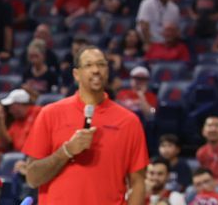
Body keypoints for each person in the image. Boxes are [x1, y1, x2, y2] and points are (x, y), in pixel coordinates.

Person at [21, 46, 149, 204]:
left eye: (101, 64)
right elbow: (33, 178)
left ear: (107, 71)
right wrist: (66, 151)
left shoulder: (129, 122)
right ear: (76, 74)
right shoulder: (50, 114)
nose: (96, 70)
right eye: (88, 65)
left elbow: (137, 183)